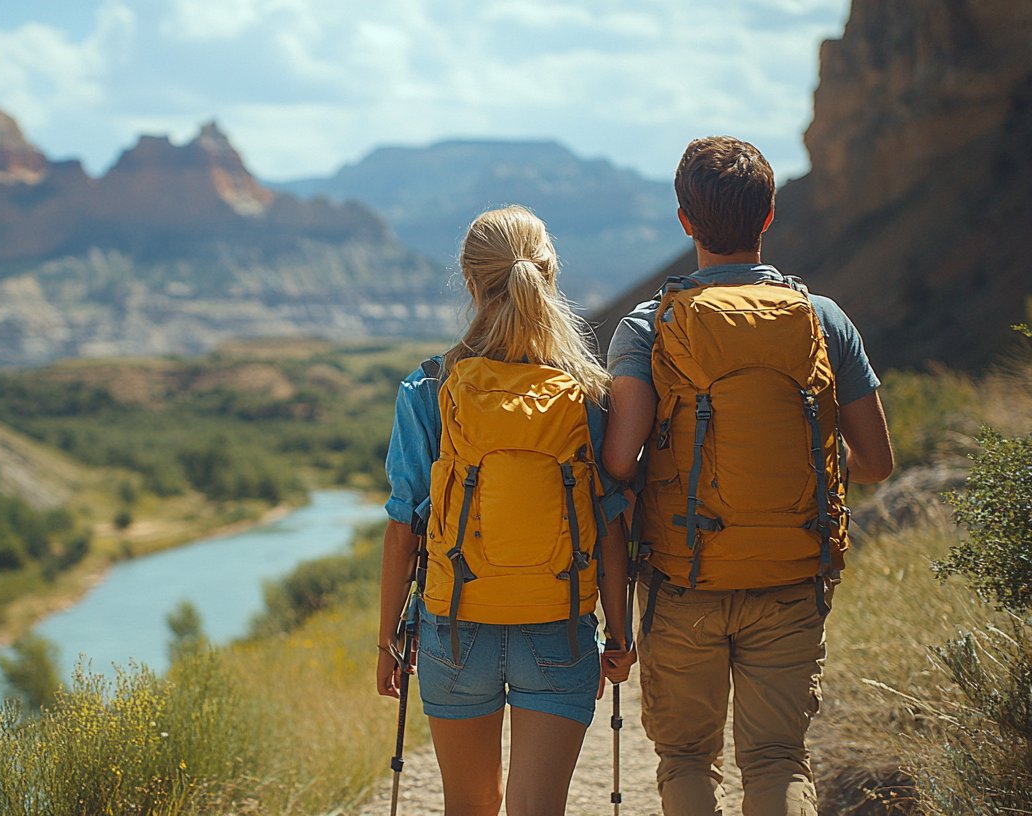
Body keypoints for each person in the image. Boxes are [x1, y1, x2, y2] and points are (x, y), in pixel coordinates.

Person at [602, 136, 895, 816]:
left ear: (684, 220)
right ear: (768, 216)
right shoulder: (822, 320)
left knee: (684, 758)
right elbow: (876, 463)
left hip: (685, 580)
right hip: (791, 574)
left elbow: (619, 461)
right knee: (776, 760)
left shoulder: (648, 327)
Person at [377, 205, 635, 816]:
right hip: (560, 621)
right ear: (549, 272)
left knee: (469, 807)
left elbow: (402, 528)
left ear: (470, 282)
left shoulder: (429, 389)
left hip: (455, 625)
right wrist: (621, 633)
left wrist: (389, 636)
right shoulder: (588, 395)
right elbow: (609, 524)